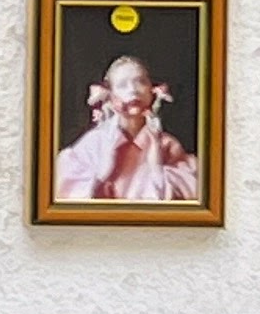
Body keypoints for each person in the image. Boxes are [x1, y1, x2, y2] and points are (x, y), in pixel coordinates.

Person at [54, 54, 202, 205]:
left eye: (141, 82)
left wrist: (156, 167)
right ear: (109, 94)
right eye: (122, 85)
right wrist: (102, 173)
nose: (133, 90)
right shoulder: (93, 143)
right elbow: (66, 195)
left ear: (152, 90)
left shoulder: (167, 145)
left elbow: (190, 196)